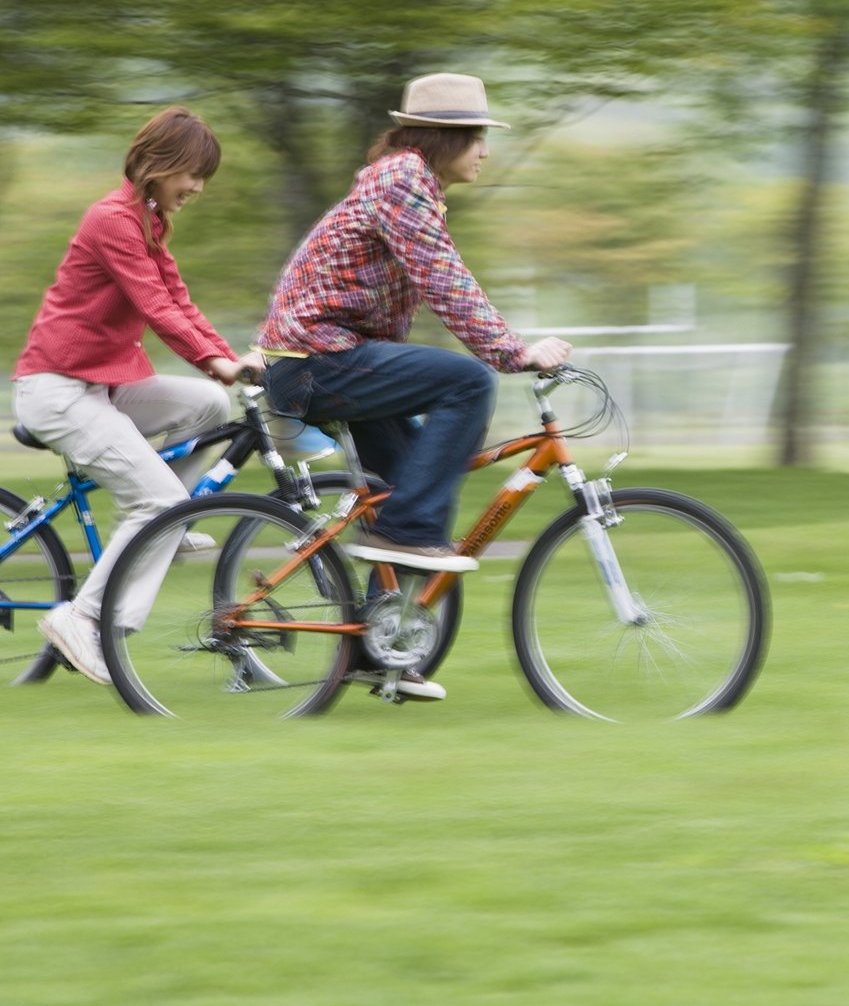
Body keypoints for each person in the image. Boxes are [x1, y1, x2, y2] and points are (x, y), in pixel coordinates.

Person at [256, 73, 571, 701]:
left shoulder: (407, 183)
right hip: (319, 359)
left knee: (414, 487)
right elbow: (445, 280)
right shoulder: (402, 182)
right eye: (476, 137)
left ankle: (376, 652)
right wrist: (513, 352)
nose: (485, 150)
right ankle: (398, 533)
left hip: (333, 356)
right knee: (467, 384)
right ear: (443, 137)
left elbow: (435, 279)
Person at [13, 106, 263, 686]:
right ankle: (86, 619)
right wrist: (216, 360)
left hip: (101, 386)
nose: (197, 188)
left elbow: (180, 299)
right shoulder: (112, 220)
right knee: (156, 504)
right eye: (193, 174)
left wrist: (227, 360)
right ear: (160, 164)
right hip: (57, 390)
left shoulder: (149, 224)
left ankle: (167, 522)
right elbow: (154, 307)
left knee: (207, 404)